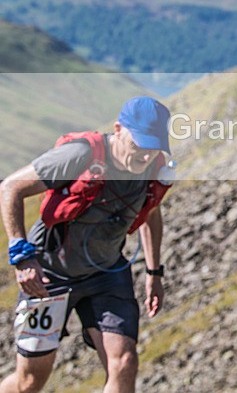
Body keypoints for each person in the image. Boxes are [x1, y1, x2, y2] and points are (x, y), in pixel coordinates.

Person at [0, 96, 173, 393]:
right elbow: (10, 188)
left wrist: (154, 273)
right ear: (118, 129)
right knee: (29, 381)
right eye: (139, 144)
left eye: (153, 146)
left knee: (125, 362)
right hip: (48, 275)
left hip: (106, 274)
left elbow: (151, 212)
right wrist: (21, 255)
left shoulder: (155, 168)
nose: (145, 155)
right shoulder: (80, 154)